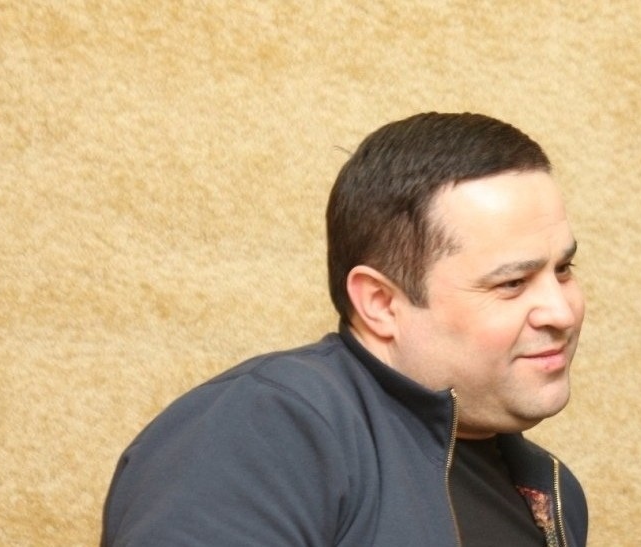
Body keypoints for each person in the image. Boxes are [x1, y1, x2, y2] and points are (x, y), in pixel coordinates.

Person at [100, 112, 588, 546]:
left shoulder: (552, 491)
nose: (561, 312)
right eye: (512, 283)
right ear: (380, 303)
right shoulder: (267, 429)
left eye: (563, 270)